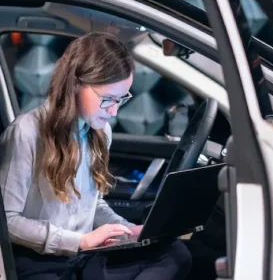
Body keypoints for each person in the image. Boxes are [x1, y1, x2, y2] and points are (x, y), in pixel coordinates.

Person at [0, 32, 192, 280]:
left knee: (175, 253)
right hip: (37, 262)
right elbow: (8, 221)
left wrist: (126, 230)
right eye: (107, 99)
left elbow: (92, 203)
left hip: (82, 254)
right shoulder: (25, 133)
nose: (113, 111)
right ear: (75, 85)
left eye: (121, 99)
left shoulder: (100, 131)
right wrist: (80, 240)